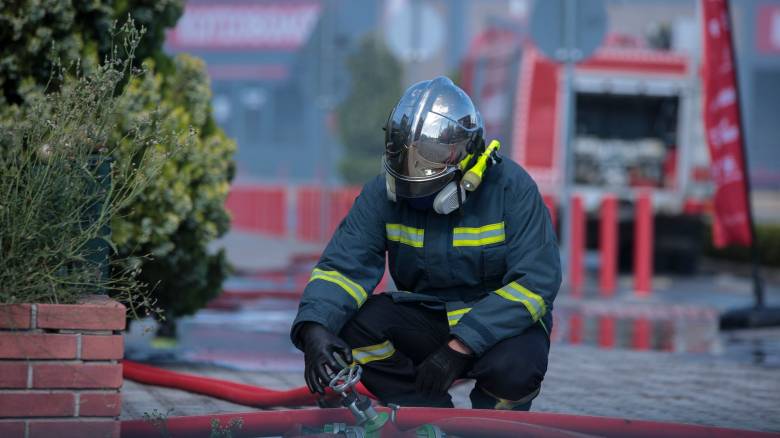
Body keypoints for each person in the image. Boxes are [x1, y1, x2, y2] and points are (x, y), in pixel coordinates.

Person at [290, 76, 561, 410]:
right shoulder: (382, 194)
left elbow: (536, 283)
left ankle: (492, 425)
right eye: (406, 153)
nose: (414, 166)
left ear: (466, 154)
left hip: (500, 323)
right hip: (429, 317)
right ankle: (421, 414)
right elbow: (343, 269)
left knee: (516, 368)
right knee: (352, 327)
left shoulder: (511, 189)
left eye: (431, 155)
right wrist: (315, 329)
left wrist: (461, 346)